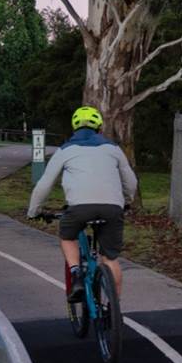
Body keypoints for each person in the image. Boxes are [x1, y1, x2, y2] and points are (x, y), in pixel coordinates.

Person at [27, 106, 137, 302]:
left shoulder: (65, 150)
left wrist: (34, 211)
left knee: (68, 236)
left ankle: (76, 274)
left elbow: (44, 184)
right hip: (112, 209)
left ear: (74, 128)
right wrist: (127, 202)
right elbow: (131, 181)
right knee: (110, 258)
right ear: (99, 127)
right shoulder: (113, 148)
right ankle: (114, 311)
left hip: (79, 209)